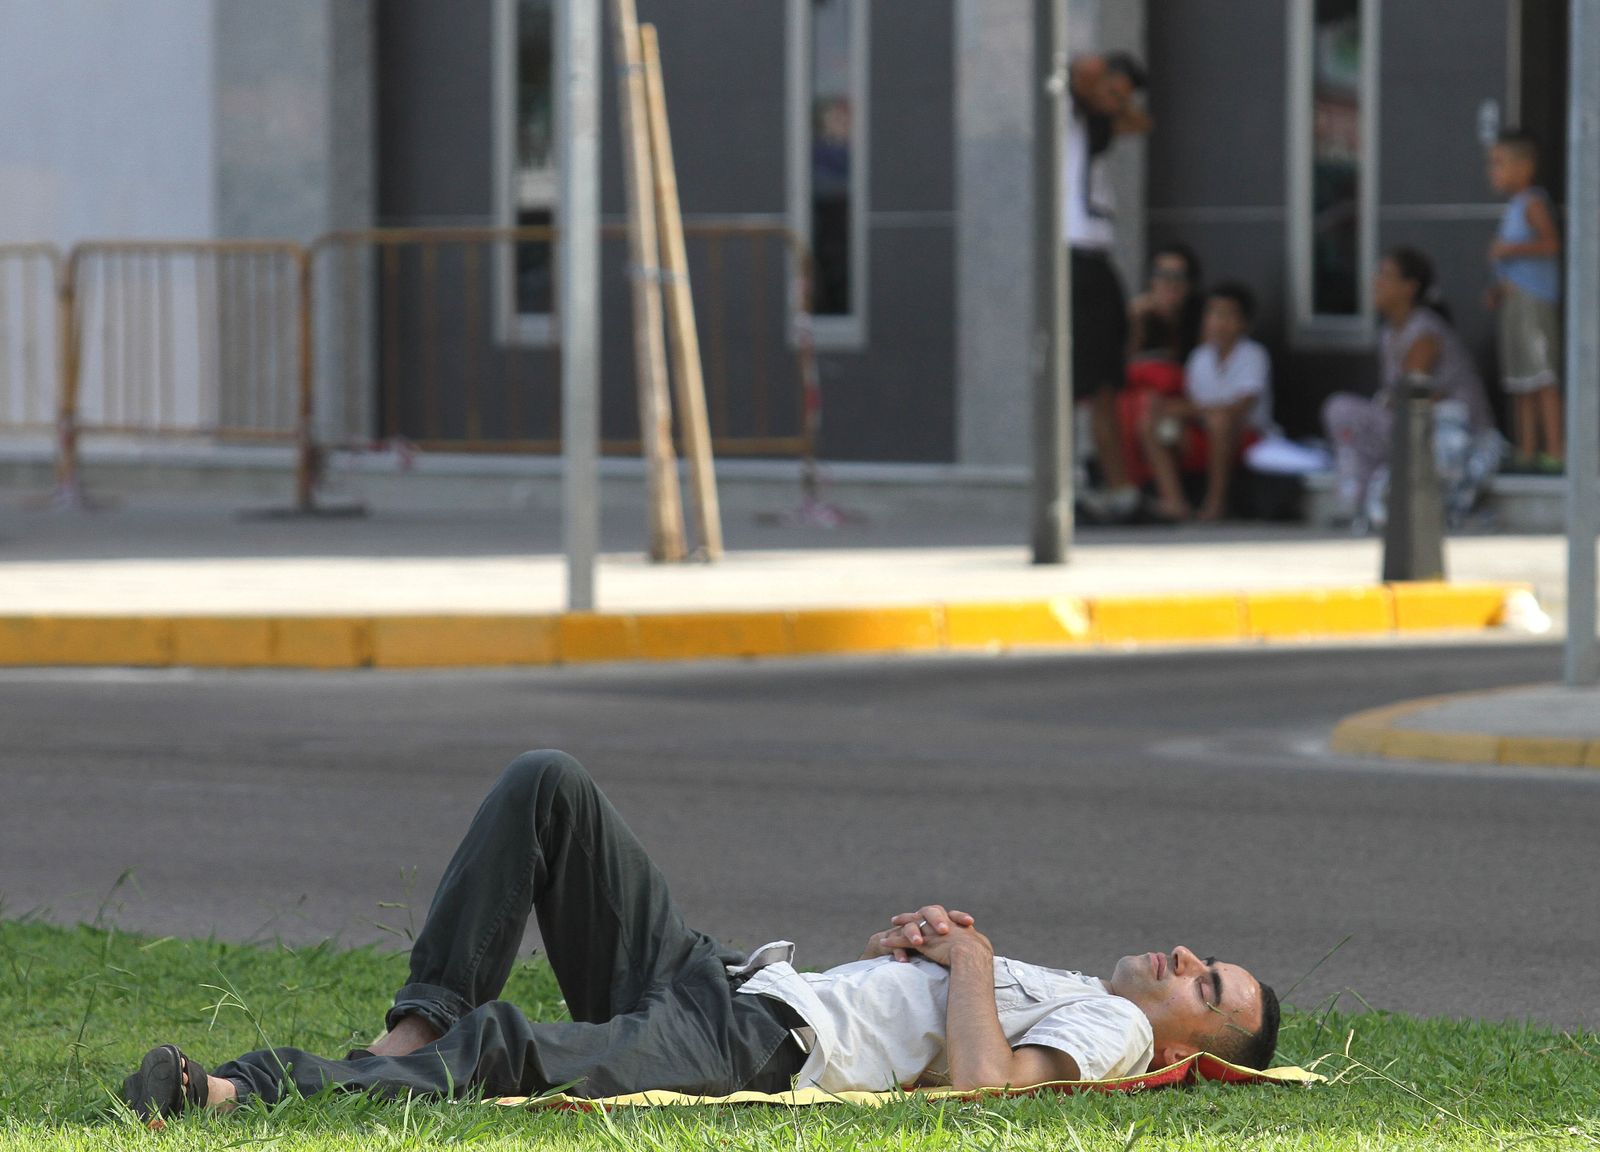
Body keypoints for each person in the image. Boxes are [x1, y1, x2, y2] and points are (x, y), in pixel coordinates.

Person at [121, 750, 1279, 1121]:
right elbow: (947, 1029)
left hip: (749, 1049)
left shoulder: (1119, 1030)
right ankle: (409, 1031)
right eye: (1200, 954)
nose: (1185, 958)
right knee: (548, 786)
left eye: (1208, 981)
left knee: (519, 1049)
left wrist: (966, 960)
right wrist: (923, 951)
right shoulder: (1094, 989)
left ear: (1197, 1045)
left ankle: (230, 1091)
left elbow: (985, 1092)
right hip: (722, 981)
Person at [1322, 248, 1501, 528]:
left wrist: (1387, 405)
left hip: (1450, 435)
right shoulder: (1388, 332)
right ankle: (1355, 506)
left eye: (1386, 276)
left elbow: (1413, 396)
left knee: (1342, 410)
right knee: (1347, 424)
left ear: (1409, 288)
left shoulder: (1424, 331)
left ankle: (1367, 505)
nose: (1376, 282)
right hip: (1410, 430)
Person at [1067, 52, 1153, 524]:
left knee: (1105, 381)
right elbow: (1078, 67)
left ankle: (1120, 489)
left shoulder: (1100, 121)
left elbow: (1140, 123)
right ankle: (1069, 486)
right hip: (1071, 256)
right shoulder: (1066, 112)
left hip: (1096, 259)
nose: (1117, 103)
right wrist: (1095, 85)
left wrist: (1113, 101)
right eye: (1112, 91)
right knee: (1071, 380)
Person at [1139, 284, 1275, 522]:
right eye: (1213, 314)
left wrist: (1191, 410)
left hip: (1247, 436)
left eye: (1228, 315)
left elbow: (1242, 406)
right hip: (1202, 434)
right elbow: (1192, 404)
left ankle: (1215, 504)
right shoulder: (1199, 357)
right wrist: (1176, 415)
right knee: (1152, 423)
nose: (1219, 322)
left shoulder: (1254, 354)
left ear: (1244, 323)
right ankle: (1174, 502)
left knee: (1220, 421)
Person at [1484, 129, 1563, 470]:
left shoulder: (1532, 202)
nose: (1493, 171)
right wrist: (1498, 289)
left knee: (1541, 376)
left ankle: (1555, 450)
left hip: (1534, 303)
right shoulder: (1513, 207)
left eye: (1499, 163)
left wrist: (1510, 249)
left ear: (1525, 166)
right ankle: (1527, 450)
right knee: (1519, 380)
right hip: (1514, 303)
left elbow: (1551, 245)